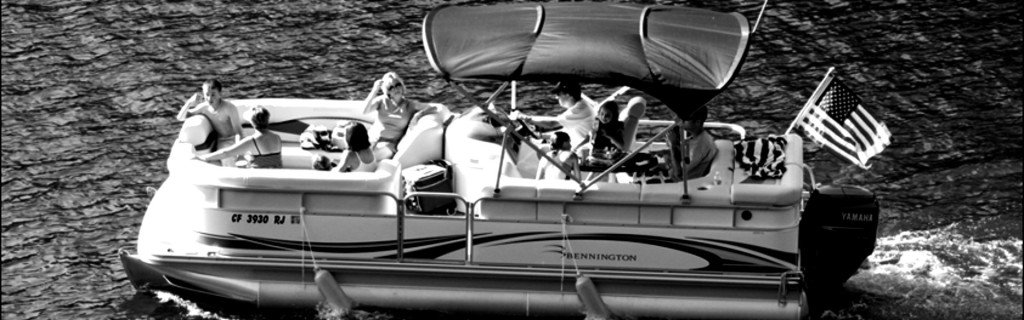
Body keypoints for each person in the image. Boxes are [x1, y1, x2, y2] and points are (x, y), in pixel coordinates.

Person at [362, 72, 441, 160]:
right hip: (371, 138)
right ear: (387, 91)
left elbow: (435, 108)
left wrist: (418, 115)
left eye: (397, 84)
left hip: (389, 144)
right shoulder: (381, 101)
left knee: (368, 159)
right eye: (391, 87)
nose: (395, 89)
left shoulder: (410, 105)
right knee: (355, 154)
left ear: (402, 86)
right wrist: (374, 90)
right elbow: (364, 111)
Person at [177, 79, 243, 166]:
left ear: (220, 94)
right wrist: (189, 103)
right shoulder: (204, 108)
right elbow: (180, 118)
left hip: (234, 139)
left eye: (213, 94)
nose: (209, 98)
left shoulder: (229, 108)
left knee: (240, 159)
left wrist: (239, 151)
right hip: (222, 142)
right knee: (226, 159)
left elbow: (239, 132)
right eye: (207, 95)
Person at [197, 106, 282, 169]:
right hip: (276, 179)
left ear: (252, 123)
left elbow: (225, 153)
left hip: (259, 181)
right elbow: (269, 159)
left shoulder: (252, 140)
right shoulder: (277, 138)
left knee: (214, 161)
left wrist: (202, 157)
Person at [667, 107, 718, 180]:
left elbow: (678, 173)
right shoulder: (698, 137)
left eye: (685, 120)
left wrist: (672, 145)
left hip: (683, 184)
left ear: (697, 122)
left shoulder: (700, 144)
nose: (681, 121)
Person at [550, 81, 595, 153]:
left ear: (568, 95)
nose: (556, 97)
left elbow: (551, 123)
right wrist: (541, 135)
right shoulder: (580, 105)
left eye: (558, 94)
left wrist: (530, 120)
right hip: (574, 145)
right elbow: (564, 131)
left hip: (579, 150)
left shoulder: (580, 109)